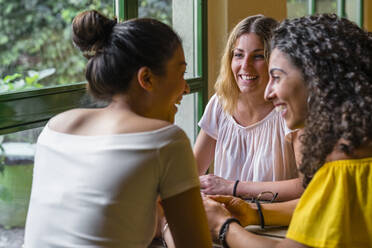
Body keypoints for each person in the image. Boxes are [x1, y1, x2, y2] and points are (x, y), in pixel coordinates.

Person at [23, 10, 212, 248]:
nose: (185, 88)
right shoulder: (165, 140)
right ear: (147, 78)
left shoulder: (56, 127)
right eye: (181, 73)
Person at [203, 13, 372, 247]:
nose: (268, 93)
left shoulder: (345, 167)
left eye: (277, 77)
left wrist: (223, 226)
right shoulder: (355, 154)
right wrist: (253, 213)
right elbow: (317, 206)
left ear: (316, 79)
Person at [194, 15, 303, 201]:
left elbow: (306, 185)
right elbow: (190, 175)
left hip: (276, 223)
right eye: (238, 55)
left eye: (258, 56)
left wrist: (232, 187)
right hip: (226, 219)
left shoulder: (292, 109)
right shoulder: (220, 104)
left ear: (277, 61)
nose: (245, 66)